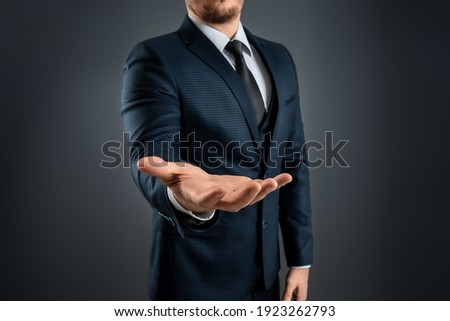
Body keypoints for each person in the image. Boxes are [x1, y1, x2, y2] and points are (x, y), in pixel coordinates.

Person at [121, 0, 312, 301]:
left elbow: (294, 159)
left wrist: (300, 260)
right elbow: (151, 154)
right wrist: (185, 195)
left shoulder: (280, 57)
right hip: (194, 277)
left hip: (266, 279)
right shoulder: (155, 57)